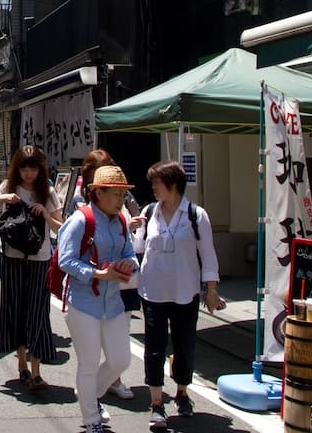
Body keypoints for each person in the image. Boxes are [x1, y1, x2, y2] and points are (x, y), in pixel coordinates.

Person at [134, 160, 224, 431]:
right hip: (152, 291)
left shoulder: (196, 215)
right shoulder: (149, 212)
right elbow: (138, 247)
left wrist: (211, 290)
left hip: (185, 290)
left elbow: (208, 255)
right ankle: (157, 403)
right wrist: (129, 230)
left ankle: (182, 392)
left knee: (185, 345)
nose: (153, 188)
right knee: (154, 346)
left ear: (172, 184)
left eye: (156, 183)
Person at [57, 165, 141, 433]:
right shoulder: (81, 220)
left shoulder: (122, 222)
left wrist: (129, 265)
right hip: (82, 303)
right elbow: (65, 260)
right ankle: (91, 419)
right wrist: (98, 274)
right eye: (116, 194)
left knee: (120, 360)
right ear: (98, 193)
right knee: (89, 363)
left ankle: (89, 395)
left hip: (113, 302)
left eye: (122, 195)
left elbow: (130, 252)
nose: (121, 200)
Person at [0, 144, 63, 391]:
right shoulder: (7, 187)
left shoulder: (47, 192)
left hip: (40, 259)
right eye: (24, 168)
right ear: (18, 168)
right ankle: (22, 366)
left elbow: (61, 227)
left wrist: (46, 215)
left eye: (33, 168)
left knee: (37, 313)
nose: (28, 173)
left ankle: (36, 371)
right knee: (15, 311)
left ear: (40, 169)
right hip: (12, 258)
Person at [76, 148, 141, 400]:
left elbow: (135, 213)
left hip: (121, 277)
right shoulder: (80, 202)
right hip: (91, 286)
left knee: (119, 336)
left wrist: (134, 223)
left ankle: (111, 380)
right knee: (91, 348)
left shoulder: (122, 194)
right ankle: (91, 398)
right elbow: (69, 251)